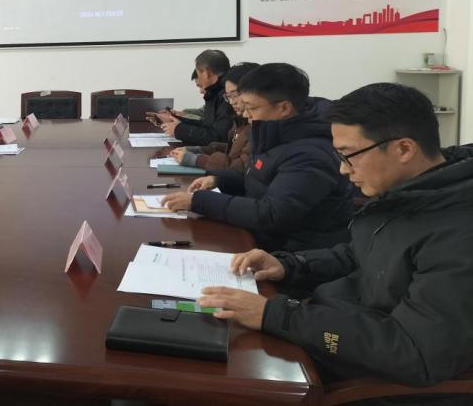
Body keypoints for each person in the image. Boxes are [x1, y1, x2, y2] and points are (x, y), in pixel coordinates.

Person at [197, 83, 473, 398]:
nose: (342, 169)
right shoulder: (410, 192)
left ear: (404, 149)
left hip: (367, 380)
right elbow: (360, 254)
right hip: (332, 325)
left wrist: (278, 315)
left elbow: (415, 353)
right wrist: (290, 265)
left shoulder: (458, 232)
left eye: (348, 156)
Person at [162, 63, 354, 252]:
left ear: (284, 108)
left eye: (251, 108)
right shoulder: (274, 132)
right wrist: (218, 180)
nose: (246, 114)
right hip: (262, 237)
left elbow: (272, 214)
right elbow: (258, 177)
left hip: (292, 252)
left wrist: (200, 202)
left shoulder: (311, 153)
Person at [170, 62, 258, 171]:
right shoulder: (241, 121)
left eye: (235, 95)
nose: (232, 102)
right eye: (228, 96)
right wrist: (197, 150)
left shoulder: (255, 125)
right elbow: (231, 149)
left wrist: (197, 159)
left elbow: (240, 168)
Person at [152, 50, 234, 146]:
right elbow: (207, 126)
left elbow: (218, 138)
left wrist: (179, 130)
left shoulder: (227, 95)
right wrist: (175, 120)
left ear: (206, 73)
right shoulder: (215, 91)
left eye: (198, 74)